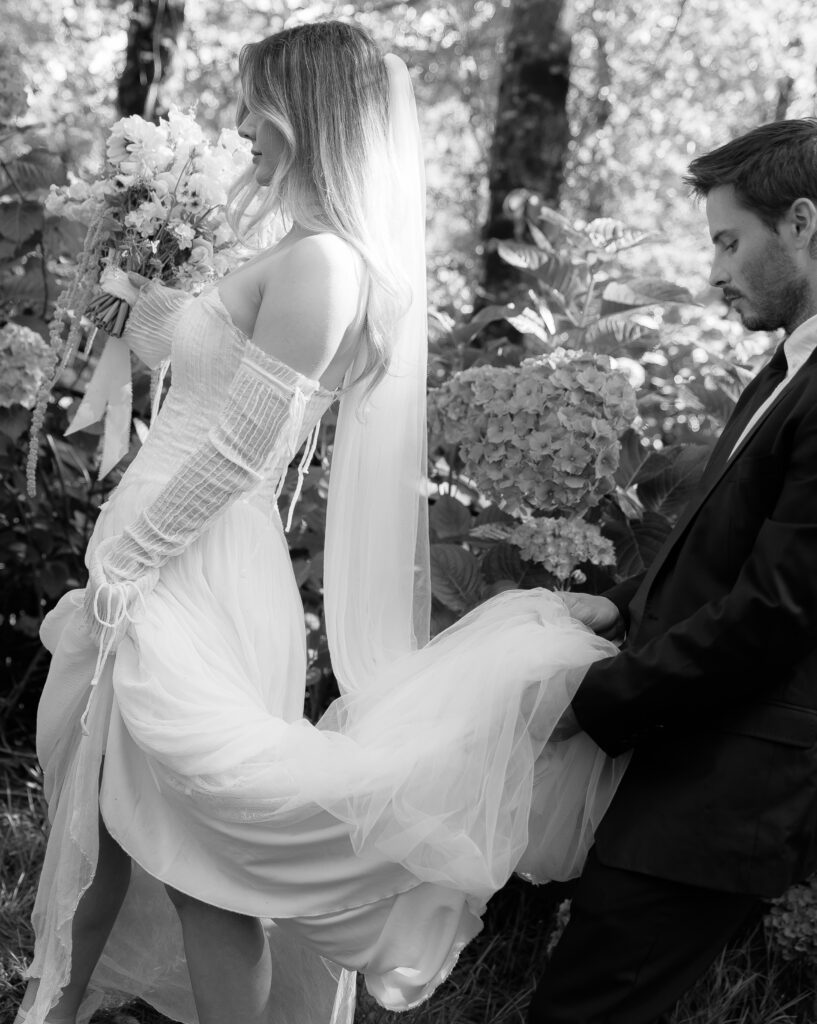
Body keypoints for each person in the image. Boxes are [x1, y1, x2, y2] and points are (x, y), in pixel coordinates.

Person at [17, 21, 628, 1024]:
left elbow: (243, 441)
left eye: (258, 105)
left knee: (199, 868)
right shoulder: (288, 249)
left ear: (312, 113)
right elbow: (195, 351)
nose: (241, 126)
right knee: (106, 829)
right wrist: (116, 301)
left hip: (190, 569)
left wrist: (132, 558)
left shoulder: (326, 265)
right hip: (159, 561)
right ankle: (49, 1007)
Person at [528, 118, 817, 1024]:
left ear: (802, 223)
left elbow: (775, 607)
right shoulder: (789, 368)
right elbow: (723, 547)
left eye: (729, 241)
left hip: (735, 785)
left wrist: (591, 700)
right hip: (697, 761)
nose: (716, 272)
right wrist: (613, 608)